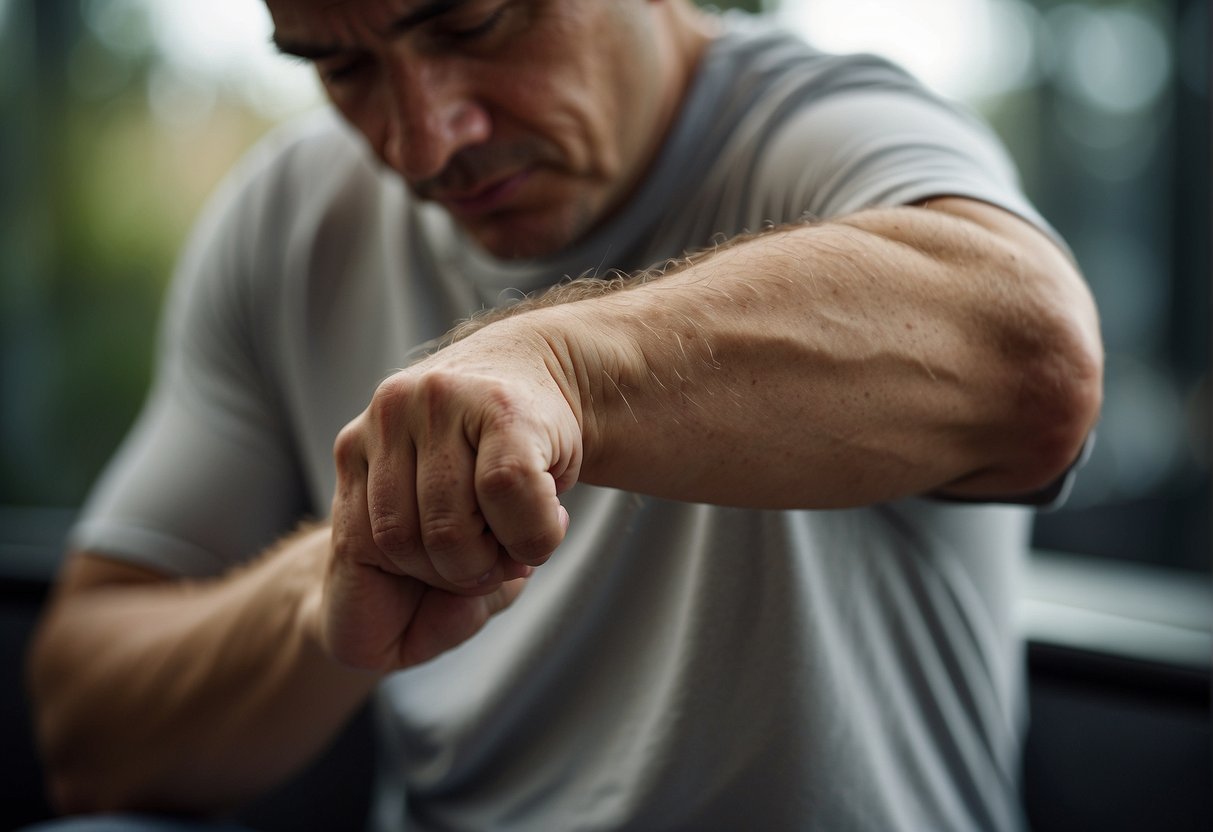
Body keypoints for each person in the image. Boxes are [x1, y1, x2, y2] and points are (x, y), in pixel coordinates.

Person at [26, 0, 1103, 830]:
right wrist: (353, 559)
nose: (419, 146)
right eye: (341, 67)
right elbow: (86, 732)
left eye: (471, 22)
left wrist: (565, 370)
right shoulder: (289, 219)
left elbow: (1040, 362)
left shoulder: (829, 137)